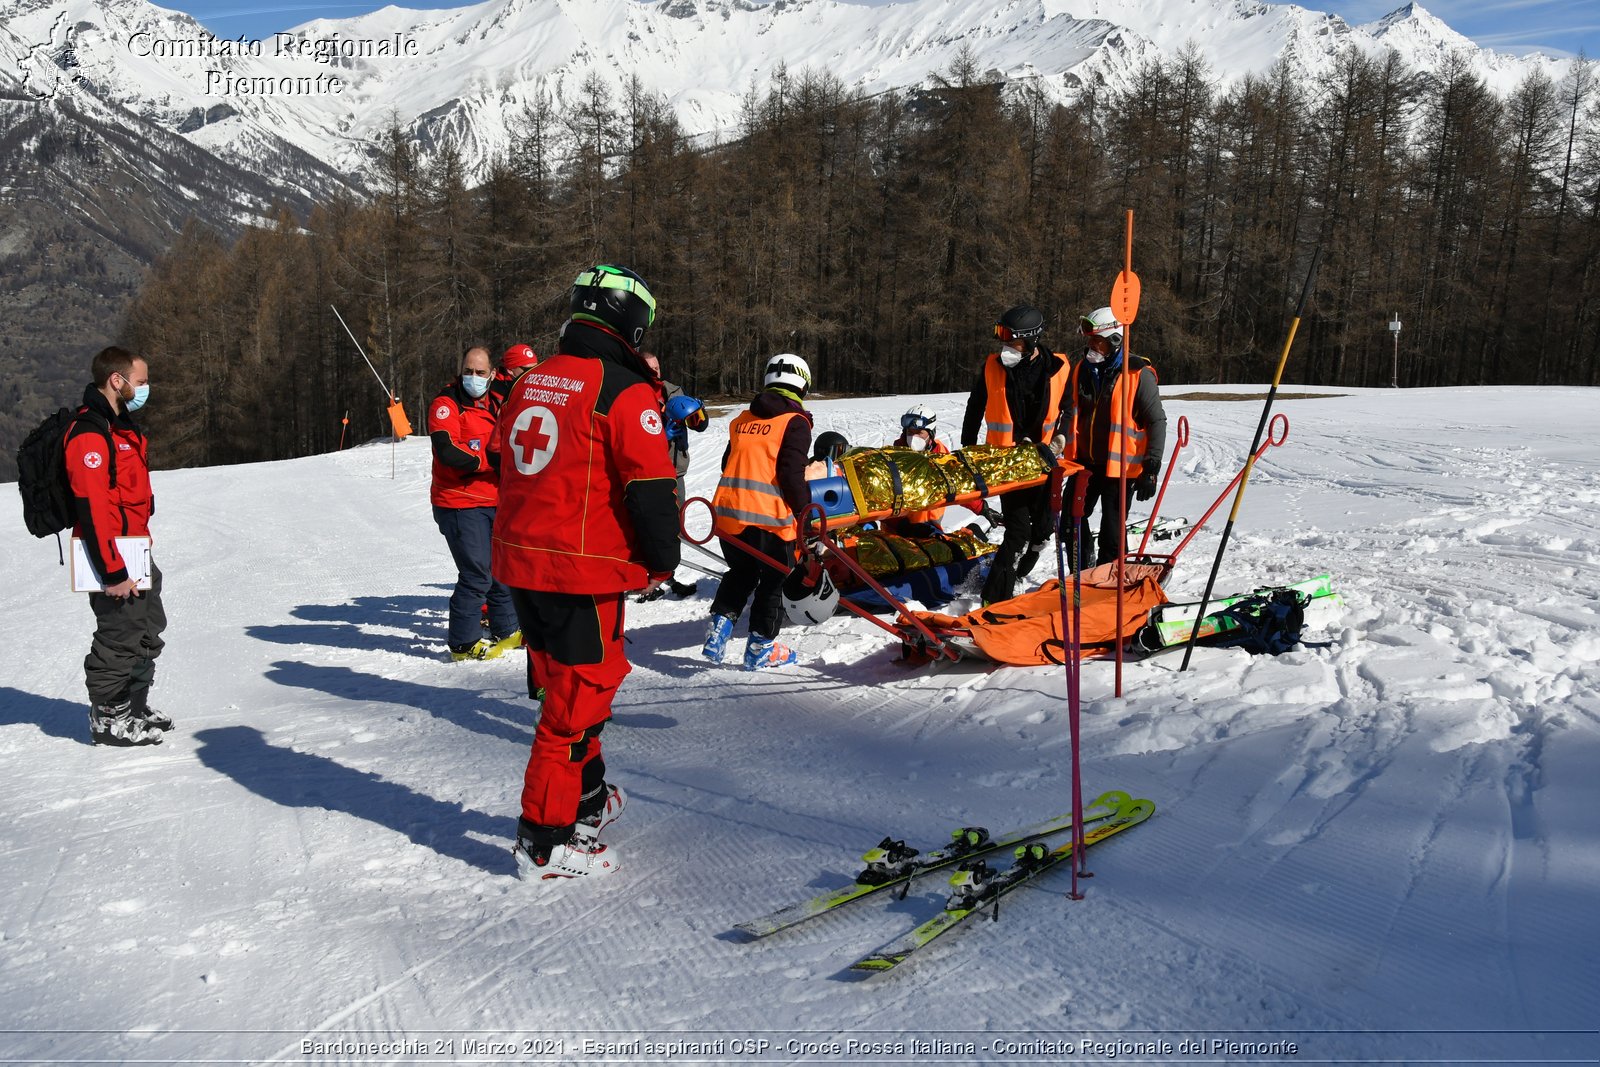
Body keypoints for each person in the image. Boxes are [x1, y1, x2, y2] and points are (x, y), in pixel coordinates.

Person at [493, 264, 680, 880]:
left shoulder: (528, 380)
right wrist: (661, 560)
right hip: (582, 573)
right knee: (573, 706)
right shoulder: (622, 391)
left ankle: (587, 799)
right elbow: (652, 490)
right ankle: (543, 841)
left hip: (524, 565)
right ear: (630, 320)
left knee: (569, 691)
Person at [67, 346, 170, 746]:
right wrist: (112, 571)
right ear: (117, 380)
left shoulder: (120, 425)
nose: (145, 389)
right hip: (110, 556)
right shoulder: (90, 433)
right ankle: (108, 719)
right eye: (140, 382)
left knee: (148, 626)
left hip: (135, 548)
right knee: (118, 633)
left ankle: (133, 706)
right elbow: (91, 508)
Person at [702, 353, 815, 670]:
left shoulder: (742, 419)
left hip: (729, 516)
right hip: (771, 521)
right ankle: (759, 649)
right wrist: (806, 515)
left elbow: (728, 463)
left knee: (741, 573)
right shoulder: (795, 423)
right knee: (774, 582)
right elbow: (792, 476)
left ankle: (717, 635)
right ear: (802, 384)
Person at [960, 305, 1072, 604]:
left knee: (1043, 530)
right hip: (1008, 464)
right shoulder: (992, 366)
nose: (1006, 348)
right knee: (1018, 531)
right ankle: (994, 598)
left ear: (1032, 341)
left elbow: (1070, 409)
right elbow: (975, 408)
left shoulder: (1060, 367)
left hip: (1045, 463)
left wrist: (1061, 438)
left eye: (1014, 342)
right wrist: (967, 452)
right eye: (1004, 341)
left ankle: (1020, 572)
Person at [429, 345, 520, 662]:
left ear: (492, 374)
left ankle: (507, 630)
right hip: (459, 502)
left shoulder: (497, 400)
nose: (473, 377)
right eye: (468, 370)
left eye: (481, 372)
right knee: (477, 573)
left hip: (494, 499)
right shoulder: (447, 403)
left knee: (500, 569)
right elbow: (448, 451)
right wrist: (490, 460)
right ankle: (463, 642)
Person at [1065, 307, 1168, 568]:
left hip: (1120, 469)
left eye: (1096, 341)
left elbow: (1157, 421)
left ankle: (1109, 578)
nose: (1090, 346)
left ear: (1114, 340)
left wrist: (1151, 467)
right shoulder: (1081, 370)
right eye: (1089, 340)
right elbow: (1068, 411)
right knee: (1069, 521)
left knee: (1112, 531)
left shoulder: (1138, 375)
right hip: (1084, 462)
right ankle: (1080, 571)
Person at [638, 350, 708, 601]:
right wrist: (660, 435)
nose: (656, 372)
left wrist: (698, 415)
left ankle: (668, 574)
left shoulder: (673, 390)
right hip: (649, 473)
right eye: (650, 368)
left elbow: (698, 423)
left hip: (676, 470)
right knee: (650, 527)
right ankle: (644, 577)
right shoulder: (634, 393)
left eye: (657, 366)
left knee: (674, 526)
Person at [885, 404, 950, 534]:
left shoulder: (941, 455)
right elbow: (881, 499)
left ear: (931, 433)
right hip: (897, 532)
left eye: (919, 433)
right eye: (910, 432)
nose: (914, 438)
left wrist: (981, 507)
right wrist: (900, 525)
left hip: (931, 530)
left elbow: (957, 484)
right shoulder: (893, 457)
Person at [490, 343, 539, 416]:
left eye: (536, 368)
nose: (533, 373)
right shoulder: (493, 389)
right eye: (527, 369)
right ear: (510, 370)